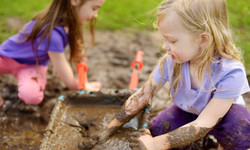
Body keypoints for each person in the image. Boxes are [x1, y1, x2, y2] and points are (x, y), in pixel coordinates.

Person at [83, 0, 250, 149]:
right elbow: (142, 95)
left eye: (172, 40)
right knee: (155, 131)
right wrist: (109, 129)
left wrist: (156, 145)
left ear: (203, 39)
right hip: (188, 111)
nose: (164, 47)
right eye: (164, 39)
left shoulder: (231, 72)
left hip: (223, 117)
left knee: (240, 130)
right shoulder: (171, 61)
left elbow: (205, 122)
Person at [0, 0, 105, 107]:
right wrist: (78, 86)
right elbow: (63, 70)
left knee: (32, 96)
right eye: (94, 8)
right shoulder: (51, 32)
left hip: (32, 65)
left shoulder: (70, 24)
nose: (96, 15)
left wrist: (84, 83)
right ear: (75, 1)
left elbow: (80, 57)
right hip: (5, 58)